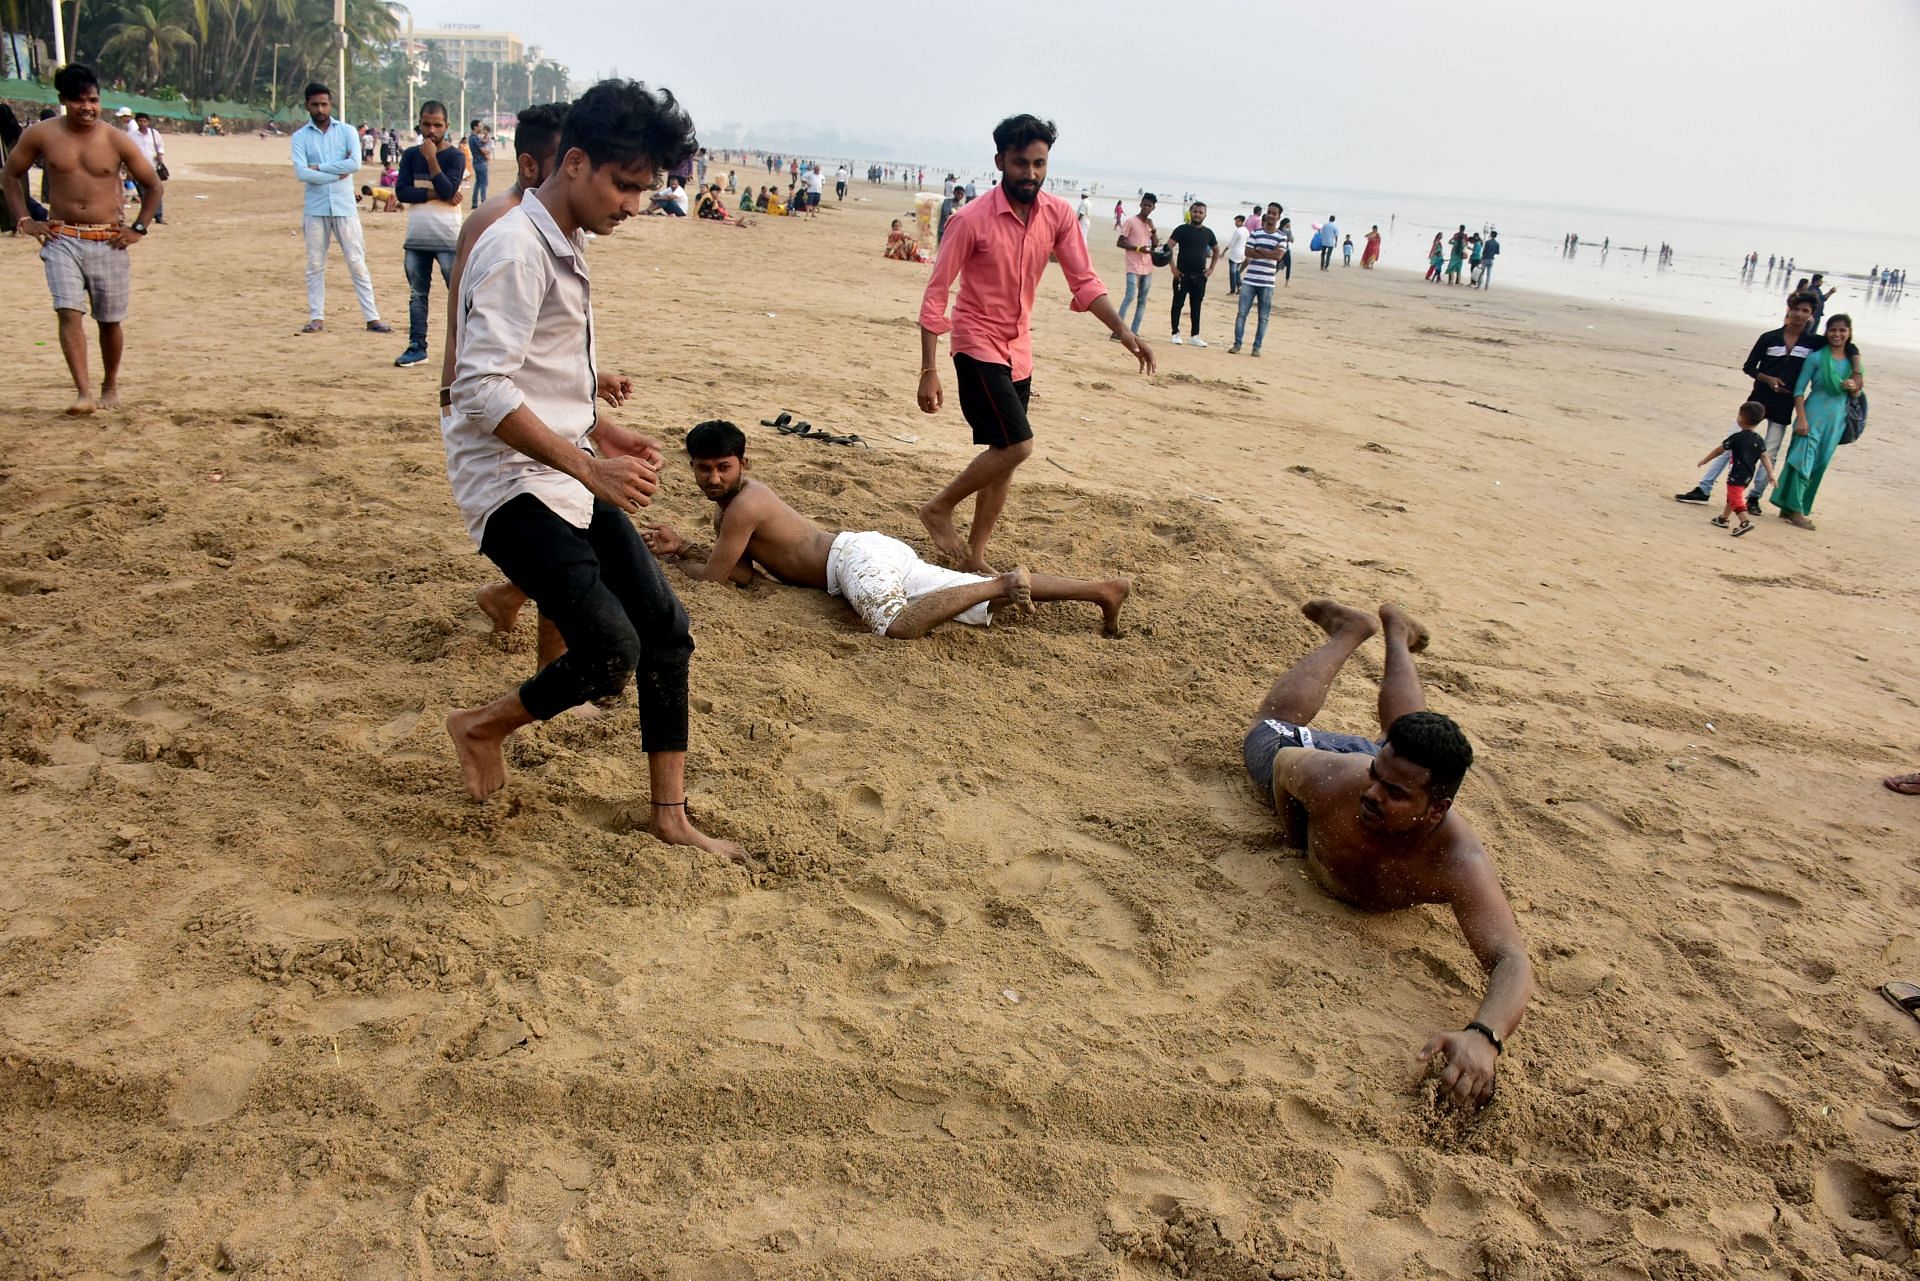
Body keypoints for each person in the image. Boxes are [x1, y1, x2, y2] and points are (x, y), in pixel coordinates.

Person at [441, 79, 743, 864]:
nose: (636, 205)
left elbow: (545, 374)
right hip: (509, 483)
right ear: (573, 163)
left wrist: (605, 432)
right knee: (611, 650)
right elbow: (477, 389)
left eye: (645, 187)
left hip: (565, 470)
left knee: (666, 633)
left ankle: (669, 814)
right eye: (626, 184)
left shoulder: (564, 239)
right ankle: (480, 726)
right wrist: (590, 465)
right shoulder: (513, 245)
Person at [1243, 599, 1533, 1109]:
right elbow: (1287, 764)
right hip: (1324, 768)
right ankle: (1348, 634)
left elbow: (1510, 959)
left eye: (1395, 793)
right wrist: (1293, 835)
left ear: (1437, 808)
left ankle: (1396, 633)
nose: (1373, 795)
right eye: (1378, 778)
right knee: (1268, 729)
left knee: (1403, 744)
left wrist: (1484, 1036)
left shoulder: (1457, 860)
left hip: (1382, 771)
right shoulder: (1341, 780)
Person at [915, 114, 1154, 573]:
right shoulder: (970, 220)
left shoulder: (1059, 215)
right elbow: (936, 293)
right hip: (975, 341)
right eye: (1021, 163)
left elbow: (1083, 280)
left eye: (1039, 163)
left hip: (1019, 348)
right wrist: (929, 370)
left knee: (1004, 459)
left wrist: (1123, 331)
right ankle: (938, 507)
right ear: (1001, 160)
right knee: (1019, 444)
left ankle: (975, 557)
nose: (1031, 174)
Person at [642, 421, 1131, 637]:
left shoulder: (743, 505)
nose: (713, 478)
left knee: (896, 625)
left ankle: (1003, 582)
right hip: (867, 550)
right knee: (955, 591)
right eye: (703, 469)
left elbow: (713, 580)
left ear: (743, 462)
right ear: (691, 467)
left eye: (722, 467)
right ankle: (1102, 590)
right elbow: (743, 576)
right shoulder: (734, 507)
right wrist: (685, 545)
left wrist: (678, 557)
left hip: (855, 561)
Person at [439, 103, 595, 674]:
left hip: (519, 398)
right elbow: (472, 344)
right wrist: (455, 392)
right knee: (561, 546)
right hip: (491, 404)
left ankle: (505, 597)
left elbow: (543, 340)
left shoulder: (559, 230)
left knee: (566, 531)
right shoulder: (500, 226)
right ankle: (551, 676)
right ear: (536, 167)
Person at [1, 63, 163, 416]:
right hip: (62, 237)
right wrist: (25, 219)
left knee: (109, 320)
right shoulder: (41, 135)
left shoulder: (115, 139)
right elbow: (10, 175)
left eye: (92, 100)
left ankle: (110, 385)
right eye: (78, 101)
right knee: (68, 311)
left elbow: (153, 185)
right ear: (63, 100)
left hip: (109, 240)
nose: (86, 107)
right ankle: (83, 392)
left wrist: (139, 228)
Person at [1676, 293, 1821, 509]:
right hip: (1758, 401)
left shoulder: (1813, 343)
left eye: (1805, 311)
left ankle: (1754, 498)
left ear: (1811, 315)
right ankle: (1704, 488)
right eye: (1796, 309)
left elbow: (1843, 346)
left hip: (1784, 405)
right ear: (1788, 310)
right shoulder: (1769, 338)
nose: (1799, 314)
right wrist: (1767, 378)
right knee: (1729, 444)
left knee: (1770, 453)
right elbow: (1749, 367)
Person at [289, 82, 391, 336]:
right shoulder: (300, 137)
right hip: (316, 208)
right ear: (307, 106)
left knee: (357, 262)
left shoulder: (346, 132)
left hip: (345, 208)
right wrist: (336, 173)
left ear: (331, 104)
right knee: (315, 264)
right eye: (315, 104)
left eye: (324, 104)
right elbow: (302, 173)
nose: (320, 109)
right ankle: (316, 317)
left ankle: (372, 317)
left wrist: (319, 169)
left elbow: (354, 164)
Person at [1771, 315, 1863, 531]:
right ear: (1826, 332)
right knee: (1802, 461)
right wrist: (1801, 418)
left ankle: (1788, 504)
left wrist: (1854, 387)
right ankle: (1796, 511)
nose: (1837, 335)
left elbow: (1859, 391)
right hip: (1812, 417)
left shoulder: (1853, 362)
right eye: (1833, 330)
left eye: (1842, 330)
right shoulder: (1816, 358)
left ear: (1849, 333)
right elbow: (1799, 390)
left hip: (1836, 421)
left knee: (1818, 465)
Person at [393, 101, 466, 369]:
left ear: (447, 127)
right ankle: (417, 347)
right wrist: (435, 193)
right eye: (426, 124)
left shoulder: (456, 157)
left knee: (457, 294)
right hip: (416, 238)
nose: (431, 130)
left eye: (437, 125)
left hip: (447, 238)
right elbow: (402, 192)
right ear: (419, 124)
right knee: (417, 295)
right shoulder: (410, 155)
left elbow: (450, 190)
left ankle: (466, 349)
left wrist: (432, 159)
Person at [1695, 401, 1773, 536]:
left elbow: (1719, 450)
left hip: (1736, 473)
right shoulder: (1759, 439)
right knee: (1733, 495)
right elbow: (1765, 457)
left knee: (1735, 497)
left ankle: (1745, 521)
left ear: (1740, 419)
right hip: (1749, 474)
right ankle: (1723, 518)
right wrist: (1770, 473)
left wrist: (1705, 460)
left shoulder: (1737, 437)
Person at [1230, 204, 1282, 356]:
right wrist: (1269, 253)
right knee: (1241, 314)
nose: (1271, 216)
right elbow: (1248, 252)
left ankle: (1256, 347)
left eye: (1274, 213)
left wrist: (1260, 251)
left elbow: (1278, 256)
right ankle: (1237, 344)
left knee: (1263, 317)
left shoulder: (1281, 236)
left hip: (1267, 282)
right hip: (1250, 279)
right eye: (1270, 212)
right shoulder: (1256, 233)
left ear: (1278, 217)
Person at [1166, 200, 1219, 347]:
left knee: (1196, 306)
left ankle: (1195, 335)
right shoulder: (1181, 230)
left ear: (1205, 215)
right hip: (1182, 275)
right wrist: (1173, 267)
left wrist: (1211, 269)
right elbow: (1168, 246)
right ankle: (1175, 333)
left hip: (1200, 277)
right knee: (1178, 304)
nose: (1197, 214)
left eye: (1201, 212)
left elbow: (1216, 250)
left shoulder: (1208, 233)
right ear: (1190, 212)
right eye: (1195, 211)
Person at [1114, 194, 1159, 336]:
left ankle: (1134, 332)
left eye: (1149, 206)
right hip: (1133, 265)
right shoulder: (1130, 221)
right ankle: (1118, 330)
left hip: (1147, 266)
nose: (1146, 207)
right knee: (1130, 296)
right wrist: (1138, 248)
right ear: (1140, 204)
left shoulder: (1149, 224)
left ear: (1153, 208)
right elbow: (1120, 241)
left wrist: (1154, 230)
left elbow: (1156, 244)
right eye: (1144, 204)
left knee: (1142, 300)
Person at [126, 111, 165, 225]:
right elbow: (128, 152)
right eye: (140, 121)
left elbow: (160, 147)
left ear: (148, 122)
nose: (142, 123)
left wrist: (160, 158)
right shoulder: (131, 136)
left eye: (145, 121)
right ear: (136, 122)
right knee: (143, 193)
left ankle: (158, 216)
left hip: (153, 167)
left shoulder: (154, 134)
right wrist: (129, 170)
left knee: (157, 190)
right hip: (138, 168)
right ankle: (147, 215)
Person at [466, 119, 491, 208]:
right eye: (479, 126)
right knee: (484, 183)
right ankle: (483, 202)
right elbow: (483, 151)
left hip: (476, 162)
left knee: (478, 183)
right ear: (475, 127)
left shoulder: (471, 138)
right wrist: (487, 153)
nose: (481, 128)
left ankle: (475, 203)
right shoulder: (475, 138)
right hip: (481, 162)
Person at [1224, 213, 1248, 293]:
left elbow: (1231, 242)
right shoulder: (1246, 231)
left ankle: (1232, 289)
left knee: (1233, 272)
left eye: (1237, 221)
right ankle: (1240, 287)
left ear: (1241, 222)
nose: (1236, 223)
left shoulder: (1238, 231)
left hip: (1235, 253)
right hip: (1242, 253)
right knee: (1237, 271)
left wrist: (1224, 251)